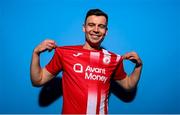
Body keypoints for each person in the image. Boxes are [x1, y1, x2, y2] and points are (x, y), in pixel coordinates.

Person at [30, 9, 143, 114]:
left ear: (106, 31)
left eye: (101, 26)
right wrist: (36, 53)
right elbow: (38, 80)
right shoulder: (65, 54)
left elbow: (128, 85)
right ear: (84, 28)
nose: (96, 30)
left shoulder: (114, 60)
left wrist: (138, 66)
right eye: (91, 25)